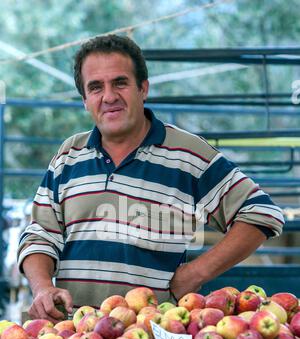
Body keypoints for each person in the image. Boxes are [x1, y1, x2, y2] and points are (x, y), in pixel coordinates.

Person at [18, 34, 284, 322]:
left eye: (120, 82)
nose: (108, 97)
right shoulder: (68, 155)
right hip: (72, 337)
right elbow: (40, 235)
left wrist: (196, 273)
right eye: (95, 88)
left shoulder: (187, 154)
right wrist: (43, 288)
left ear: (143, 88)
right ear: (85, 100)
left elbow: (262, 212)